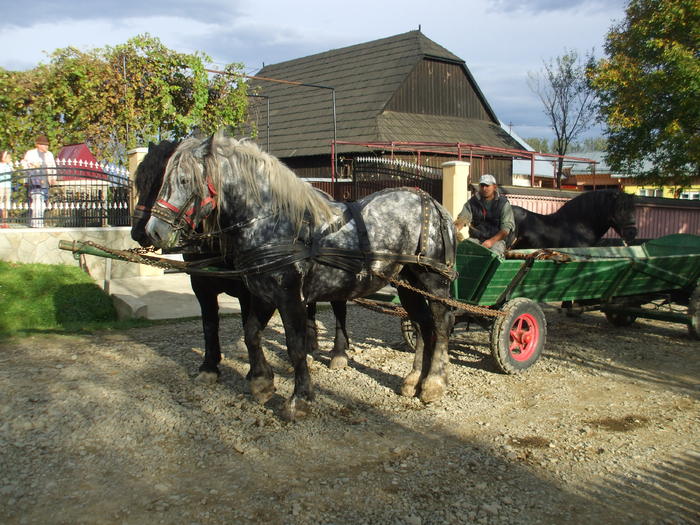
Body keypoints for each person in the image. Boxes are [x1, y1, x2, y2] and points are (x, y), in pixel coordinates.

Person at [453, 173, 515, 255]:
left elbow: (506, 230)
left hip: (497, 242)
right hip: (475, 240)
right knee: (461, 250)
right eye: (482, 186)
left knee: (492, 254)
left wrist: (491, 241)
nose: (484, 188)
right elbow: (462, 219)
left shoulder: (503, 204)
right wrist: (455, 230)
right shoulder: (472, 203)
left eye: (487, 185)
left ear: (494, 187)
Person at [22, 134, 56, 227]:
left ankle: (39, 222)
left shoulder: (49, 155)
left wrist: (53, 178)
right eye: (44, 145)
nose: (46, 147)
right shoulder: (31, 153)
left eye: (47, 145)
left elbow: (53, 167)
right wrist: (31, 165)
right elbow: (23, 165)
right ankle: (36, 223)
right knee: (37, 201)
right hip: (34, 182)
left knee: (43, 202)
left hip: (45, 182)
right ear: (38, 145)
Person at [0, 150, 12, 226]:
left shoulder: (9, 166)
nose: (10, 158)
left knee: (6, 204)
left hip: (8, 186)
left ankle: (5, 222)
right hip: (1, 186)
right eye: (8, 157)